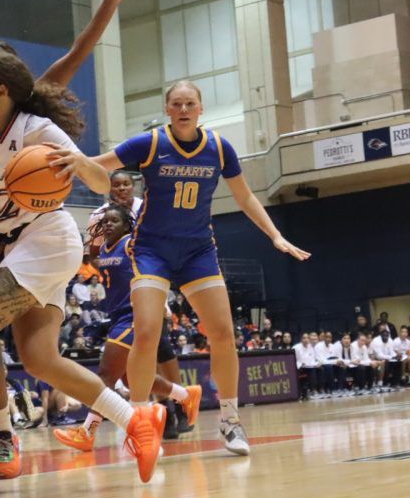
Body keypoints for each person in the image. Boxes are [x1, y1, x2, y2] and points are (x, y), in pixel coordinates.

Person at [0, 47, 161, 485]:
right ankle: (136, 421)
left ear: (1, 91)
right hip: (17, 242)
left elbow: (103, 185)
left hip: (47, 237)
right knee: (40, 359)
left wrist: (82, 164)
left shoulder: (38, 131)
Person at [85, 80, 309, 457]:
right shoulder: (151, 144)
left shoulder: (219, 148)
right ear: (168, 109)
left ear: (201, 109)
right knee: (146, 332)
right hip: (153, 249)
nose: (184, 109)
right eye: (176, 103)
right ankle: (141, 423)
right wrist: (62, 164)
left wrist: (275, 236)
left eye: (190, 103)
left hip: (196, 250)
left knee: (223, 333)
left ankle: (229, 419)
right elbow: (97, 166)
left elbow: (245, 195)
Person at [53, 205, 202, 452]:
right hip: (117, 316)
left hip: (135, 315)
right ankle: (186, 395)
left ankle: (87, 432)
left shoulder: (132, 244)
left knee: (105, 375)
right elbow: (93, 257)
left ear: (126, 225)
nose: (108, 224)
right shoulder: (105, 248)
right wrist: (92, 232)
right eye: (105, 222)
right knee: (129, 379)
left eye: (114, 221)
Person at [85, 170, 143, 255]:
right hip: (110, 262)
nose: (122, 188)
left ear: (133, 186)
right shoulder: (98, 215)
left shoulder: (145, 208)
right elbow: (94, 255)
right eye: (116, 185)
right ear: (109, 188)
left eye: (126, 184)